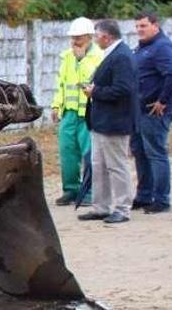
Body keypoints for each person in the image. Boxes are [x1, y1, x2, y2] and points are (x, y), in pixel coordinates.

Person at [78, 19, 138, 224]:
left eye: (97, 36)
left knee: (116, 166)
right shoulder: (113, 54)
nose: (95, 40)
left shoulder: (121, 56)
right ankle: (101, 206)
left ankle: (122, 208)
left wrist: (96, 91)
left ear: (106, 36)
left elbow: (123, 89)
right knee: (99, 166)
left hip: (115, 121)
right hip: (102, 121)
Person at [131, 11, 172, 214]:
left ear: (156, 25)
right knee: (140, 153)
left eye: (143, 26)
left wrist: (162, 101)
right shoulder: (143, 48)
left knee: (155, 153)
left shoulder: (162, 47)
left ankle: (161, 199)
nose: (139, 30)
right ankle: (144, 195)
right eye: (137, 26)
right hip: (138, 110)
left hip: (154, 111)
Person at [51, 17, 103, 206]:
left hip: (88, 114)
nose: (74, 41)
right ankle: (70, 190)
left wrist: (81, 60)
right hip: (69, 113)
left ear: (89, 37)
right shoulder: (66, 57)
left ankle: (89, 192)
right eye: (73, 38)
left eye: (79, 38)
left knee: (90, 154)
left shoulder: (99, 57)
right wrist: (56, 106)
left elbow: (92, 80)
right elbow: (61, 85)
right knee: (67, 153)